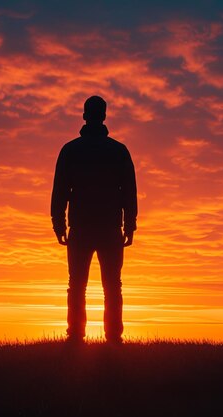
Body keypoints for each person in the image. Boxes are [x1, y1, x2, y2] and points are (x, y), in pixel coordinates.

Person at [51, 95, 138, 344]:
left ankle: (76, 336)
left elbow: (60, 191)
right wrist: (130, 224)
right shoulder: (118, 151)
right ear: (104, 116)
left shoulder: (70, 150)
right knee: (112, 285)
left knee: (78, 284)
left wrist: (58, 223)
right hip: (109, 226)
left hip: (83, 226)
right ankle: (113, 338)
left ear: (84, 116)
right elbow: (129, 191)